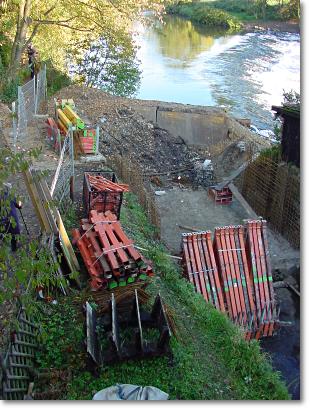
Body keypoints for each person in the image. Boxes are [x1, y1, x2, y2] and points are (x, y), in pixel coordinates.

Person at [0, 183, 23, 251]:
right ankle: (13, 249)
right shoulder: (11, 196)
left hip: (3, 221)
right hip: (13, 220)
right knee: (14, 234)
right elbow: (20, 205)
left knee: (4, 236)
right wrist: (19, 200)